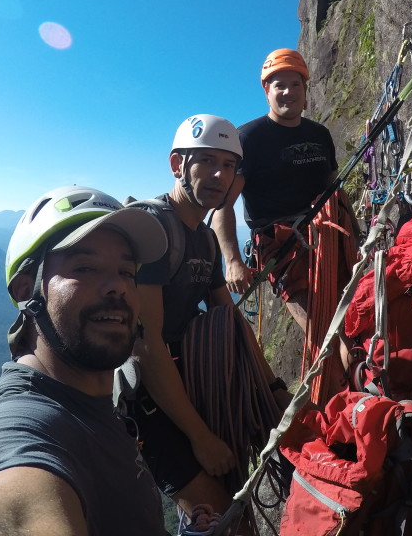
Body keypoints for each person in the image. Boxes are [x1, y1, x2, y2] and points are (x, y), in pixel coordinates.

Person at [0, 185, 169, 536]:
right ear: (26, 291)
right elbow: (14, 509)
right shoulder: (18, 423)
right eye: (85, 267)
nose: (115, 286)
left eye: (126, 272)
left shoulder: (90, 401)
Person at [128, 114, 288, 534]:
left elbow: (229, 318)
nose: (219, 174)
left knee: (223, 508)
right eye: (207, 161)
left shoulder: (203, 237)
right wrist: (201, 437)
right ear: (177, 164)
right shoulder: (155, 229)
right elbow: (147, 347)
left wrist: (272, 389)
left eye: (229, 165)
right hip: (151, 404)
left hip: (189, 386)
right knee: (219, 515)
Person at [214, 49, 357, 333]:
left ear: (305, 91)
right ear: (267, 91)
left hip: (329, 233)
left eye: (295, 84)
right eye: (279, 85)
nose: (288, 92)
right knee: (323, 331)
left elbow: (334, 190)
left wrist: (356, 233)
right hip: (282, 244)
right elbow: (222, 205)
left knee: (355, 316)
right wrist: (232, 262)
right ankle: (342, 375)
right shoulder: (249, 137)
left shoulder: (319, 134)